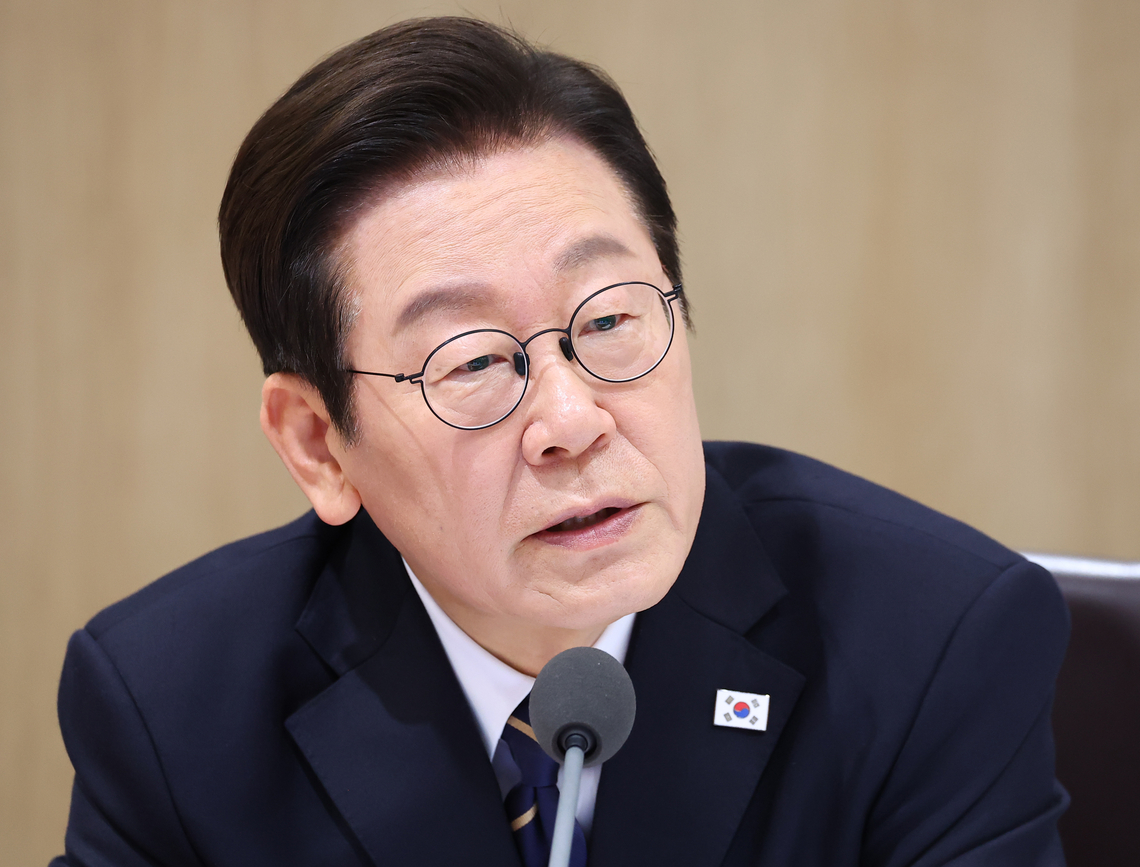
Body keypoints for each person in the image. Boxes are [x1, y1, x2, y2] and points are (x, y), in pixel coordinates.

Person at [51, 17, 1070, 867]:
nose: (573, 421)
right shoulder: (169, 709)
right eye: (471, 363)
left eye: (610, 320)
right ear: (318, 443)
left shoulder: (932, 640)